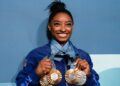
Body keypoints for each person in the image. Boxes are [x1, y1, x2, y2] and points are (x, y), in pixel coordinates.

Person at [16, 1, 100, 86]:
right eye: (57, 24)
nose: (63, 29)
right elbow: (21, 84)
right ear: (49, 26)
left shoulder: (83, 56)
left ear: (72, 27)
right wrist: (36, 74)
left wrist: (89, 75)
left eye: (68, 24)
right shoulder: (36, 55)